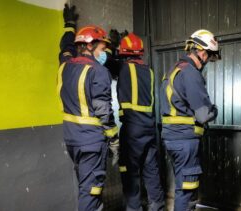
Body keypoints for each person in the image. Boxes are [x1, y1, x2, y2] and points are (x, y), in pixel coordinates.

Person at [57, 4, 119, 211]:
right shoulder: (99, 72)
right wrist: (114, 139)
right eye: (102, 49)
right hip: (91, 141)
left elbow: (65, 47)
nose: (105, 54)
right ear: (90, 46)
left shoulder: (65, 64)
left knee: (86, 186)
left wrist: (69, 25)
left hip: (72, 139)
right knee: (91, 192)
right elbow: (103, 112)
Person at [160, 29, 220, 211]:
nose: (208, 62)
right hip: (185, 141)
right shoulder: (191, 73)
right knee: (187, 193)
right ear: (202, 52)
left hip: (172, 139)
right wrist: (214, 110)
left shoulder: (174, 70)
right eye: (209, 57)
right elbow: (204, 115)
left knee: (182, 188)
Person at [116, 32, 165, 211]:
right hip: (148, 128)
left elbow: (104, 62)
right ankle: (157, 207)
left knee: (131, 175)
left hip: (132, 130)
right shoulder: (149, 71)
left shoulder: (123, 68)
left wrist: (114, 48)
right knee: (151, 172)